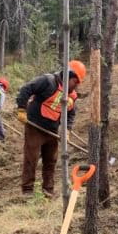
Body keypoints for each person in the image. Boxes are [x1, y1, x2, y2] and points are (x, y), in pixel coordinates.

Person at [16, 60, 87, 197]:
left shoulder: (71, 95)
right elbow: (26, 89)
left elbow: (71, 113)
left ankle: (48, 189)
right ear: (67, 75)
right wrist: (21, 109)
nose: (76, 85)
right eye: (75, 81)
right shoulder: (48, 81)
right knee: (32, 158)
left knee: (51, 160)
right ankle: (27, 190)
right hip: (35, 126)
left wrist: (67, 130)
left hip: (52, 130)